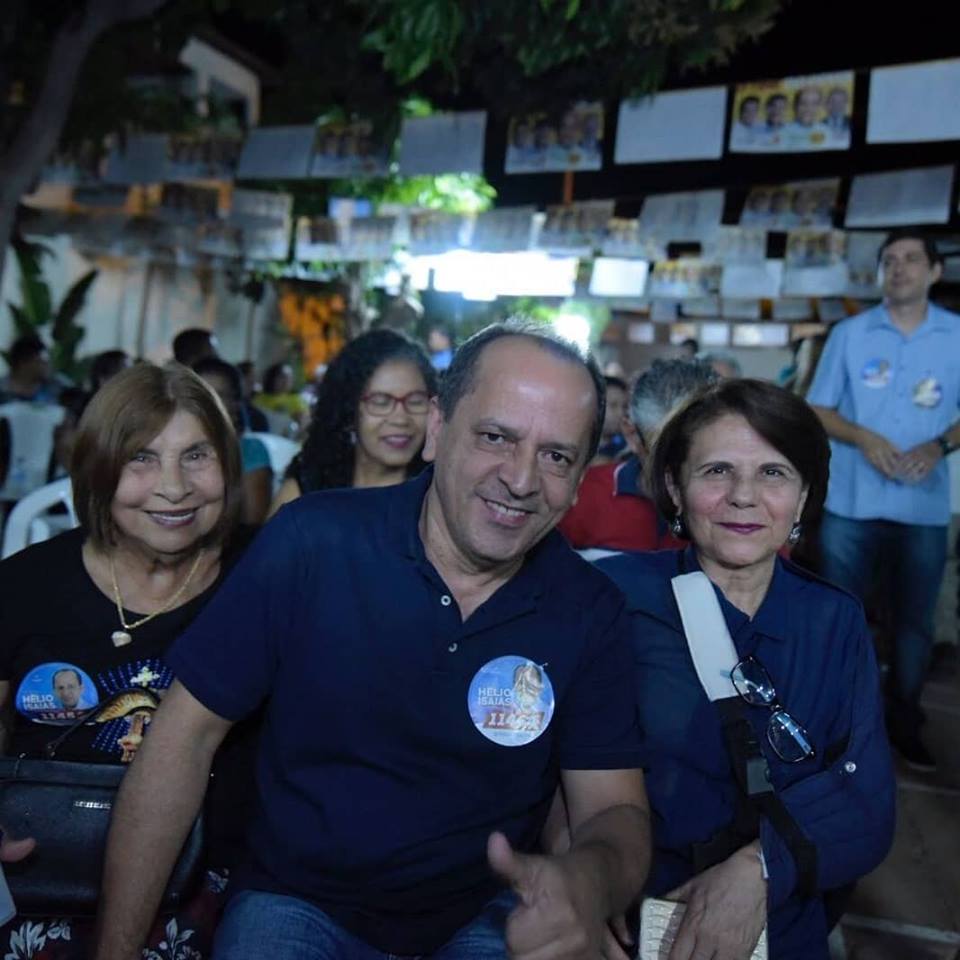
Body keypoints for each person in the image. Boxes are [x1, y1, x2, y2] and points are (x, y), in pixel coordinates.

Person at [94, 320, 650, 960]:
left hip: (486, 915)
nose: (521, 480)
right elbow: (182, 740)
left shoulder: (589, 608)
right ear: (436, 430)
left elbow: (614, 811)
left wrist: (588, 881)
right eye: (496, 437)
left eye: (557, 456)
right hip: (298, 903)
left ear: (580, 478)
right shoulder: (313, 544)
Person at [598, 378, 896, 959]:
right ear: (675, 487)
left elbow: (865, 800)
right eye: (717, 471)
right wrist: (590, 884)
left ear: (804, 497)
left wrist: (759, 869)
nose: (743, 496)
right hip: (636, 921)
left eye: (773, 473)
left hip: (778, 921)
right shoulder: (617, 598)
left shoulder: (833, 620)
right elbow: (564, 773)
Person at [0, 363, 255, 957]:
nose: (174, 487)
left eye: (196, 456)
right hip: (40, 864)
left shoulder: (262, 574)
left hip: (209, 874)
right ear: (98, 467)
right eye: (142, 458)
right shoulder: (26, 584)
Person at [807, 230, 960, 771]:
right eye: (889, 260)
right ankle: (843, 722)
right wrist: (862, 437)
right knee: (841, 616)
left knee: (914, 625)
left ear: (935, 272)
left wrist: (940, 445)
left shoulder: (956, 335)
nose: (898, 268)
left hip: (922, 506)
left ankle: (904, 722)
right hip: (852, 504)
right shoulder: (850, 334)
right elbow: (818, 408)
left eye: (911, 259)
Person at [269, 329, 436, 513]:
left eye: (416, 401)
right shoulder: (305, 494)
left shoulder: (442, 500)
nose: (401, 419)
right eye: (380, 402)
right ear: (349, 409)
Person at [560, 358, 716, 554]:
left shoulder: (739, 505)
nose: (686, 467)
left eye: (709, 453)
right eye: (666, 452)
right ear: (632, 434)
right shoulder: (579, 496)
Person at [193, 357, 273, 526]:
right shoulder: (171, 447)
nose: (206, 403)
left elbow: (253, 521)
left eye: (218, 395)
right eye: (198, 394)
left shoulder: (249, 450)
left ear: (236, 403)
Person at [0, 333, 63, 404]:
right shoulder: (2, 391)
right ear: (23, 363)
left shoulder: (57, 387)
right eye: (40, 360)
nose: (46, 364)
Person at [593, 375, 629, 463]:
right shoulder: (579, 448)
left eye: (624, 406)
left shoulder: (628, 450)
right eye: (613, 405)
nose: (621, 413)